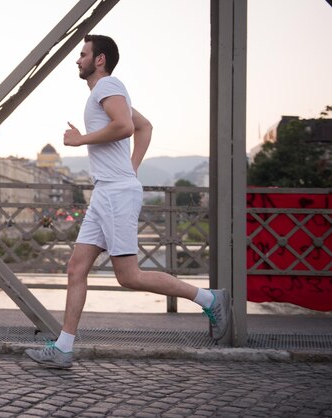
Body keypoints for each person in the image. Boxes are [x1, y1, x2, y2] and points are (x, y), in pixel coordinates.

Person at [25, 34, 231, 369]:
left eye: (83, 54)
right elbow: (144, 126)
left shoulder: (108, 86)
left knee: (129, 275)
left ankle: (210, 298)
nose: (78, 60)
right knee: (76, 267)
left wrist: (80, 141)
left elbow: (124, 126)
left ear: (100, 59)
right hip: (107, 189)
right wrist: (131, 167)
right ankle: (64, 348)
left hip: (116, 193)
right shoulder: (104, 92)